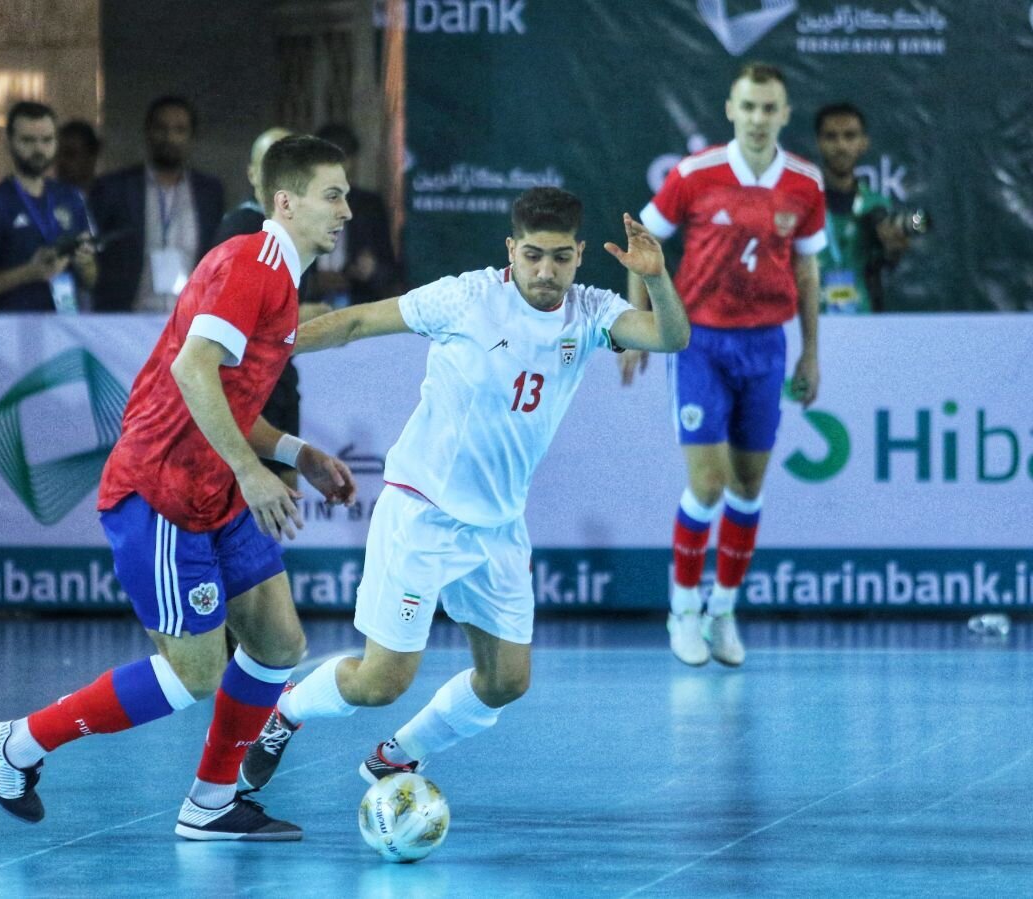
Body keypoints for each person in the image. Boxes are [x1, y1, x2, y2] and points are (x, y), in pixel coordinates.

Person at [237, 187, 689, 795]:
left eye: (560, 257)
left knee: (506, 681)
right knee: (380, 683)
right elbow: (357, 320)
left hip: (498, 525)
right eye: (532, 255)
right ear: (511, 248)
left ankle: (397, 757)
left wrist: (657, 277)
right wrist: (264, 346)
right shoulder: (468, 298)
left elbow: (671, 337)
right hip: (422, 510)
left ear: (581, 255)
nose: (545, 271)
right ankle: (286, 711)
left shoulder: (590, 312)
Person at [0, 135, 357, 842]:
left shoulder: (279, 275)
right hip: (162, 494)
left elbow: (229, 398)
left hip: (213, 489)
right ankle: (17, 742)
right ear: (286, 201)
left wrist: (297, 453)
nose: (347, 211)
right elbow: (192, 370)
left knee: (277, 642)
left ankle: (210, 803)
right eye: (333, 195)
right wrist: (251, 471)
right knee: (193, 673)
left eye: (346, 195)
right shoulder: (253, 263)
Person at [620, 62, 826, 667]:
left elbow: (808, 271)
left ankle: (723, 611)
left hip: (768, 346)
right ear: (731, 110)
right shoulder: (695, 174)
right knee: (707, 484)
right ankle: (682, 610)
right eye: (749, 107)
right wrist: (639, 331)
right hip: (700, 344)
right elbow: (642, 250)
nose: (759, 118)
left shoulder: (805, 184)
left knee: (749, 487)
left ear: (784, 115)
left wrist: (812, 350)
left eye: (770, 108)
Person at [214, 126, 330, 490]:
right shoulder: (243, 230)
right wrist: (318, 314)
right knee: (248, 498)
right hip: (242, 388)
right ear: (252, 174)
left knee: (284, 501)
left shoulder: (299, 231)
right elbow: (255, 322)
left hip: (280, 380)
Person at [90, 95, 225, 313]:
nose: (169, 137)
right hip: (126, 319)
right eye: (161, 128)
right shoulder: (115, 188)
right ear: (147, 132)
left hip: (190, 322)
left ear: (192, 137)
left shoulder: (209, 193)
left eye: (179, 130)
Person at [0, 101, 97, 313]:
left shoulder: (73, 198)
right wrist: (30, 272)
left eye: (47, 140)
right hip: (16, 330)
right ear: (9, 142)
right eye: (28, 140)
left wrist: (85, 263)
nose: (39, 149)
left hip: (69, 326)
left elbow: (92, 279)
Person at [813, 102, 908, 314]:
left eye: (850, 136)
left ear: (864, 143)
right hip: (809, 324)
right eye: (831, 137)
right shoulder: (801, 204)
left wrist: (894, 248)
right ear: (819, 143)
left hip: (864, 326)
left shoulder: (877, 205)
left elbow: (890, 257)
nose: (841, 146)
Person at [308, 122, 402, 307]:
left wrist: (373, 271)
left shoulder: (369, 206)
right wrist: (313, 282)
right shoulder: (302, 205)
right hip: (308, 312)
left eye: (344, 159)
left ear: (353, 161)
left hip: (357, 309)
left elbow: (392, 276)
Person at [55, 119, 101, 197]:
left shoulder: (108, 200)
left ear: (91, 157)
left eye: (70, 154)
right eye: (58, 155)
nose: (61, 161)